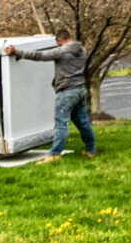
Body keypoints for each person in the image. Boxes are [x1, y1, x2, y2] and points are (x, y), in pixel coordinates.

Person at [16, 32, 93, 161]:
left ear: (60, 40)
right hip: (80, 89)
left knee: (61, 124)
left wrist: (18, 53)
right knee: (83, 121)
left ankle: (55, 154)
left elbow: (39, 56)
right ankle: (90, 150)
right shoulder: (82, 50)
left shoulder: (61, 51)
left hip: (66, 91)